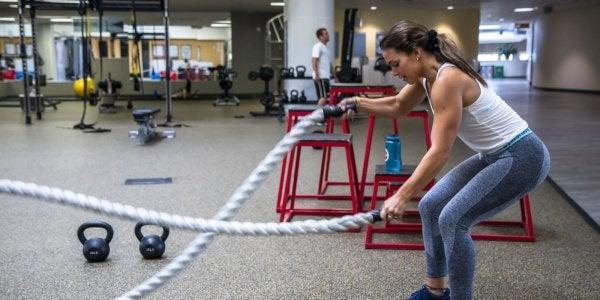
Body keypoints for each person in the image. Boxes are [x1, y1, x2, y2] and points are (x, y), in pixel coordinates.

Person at [339, 20, 550, 300]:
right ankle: (434, 292)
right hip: (494, 156)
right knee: (430, 205)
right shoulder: (428, 76)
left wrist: (402, 195)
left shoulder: (447, 80)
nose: (394, 72)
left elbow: (439, 151)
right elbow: (398, 105)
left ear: (416, 52)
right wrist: (357, 102)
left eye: (395, 64)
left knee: (453, 219)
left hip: (522, 156)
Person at [311, 28, 338, 106]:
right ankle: (316, 117)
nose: (328, 35)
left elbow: (329, 65)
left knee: (325, 98)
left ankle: (321, 116)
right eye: (326, 34)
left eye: (327, 33)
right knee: (323, 98)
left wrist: (335, 77)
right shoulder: (317, 46)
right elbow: (314, 60)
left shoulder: (326, 49)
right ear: (320, 37)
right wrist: (317, 74)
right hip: (321, 77)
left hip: (325, 77)